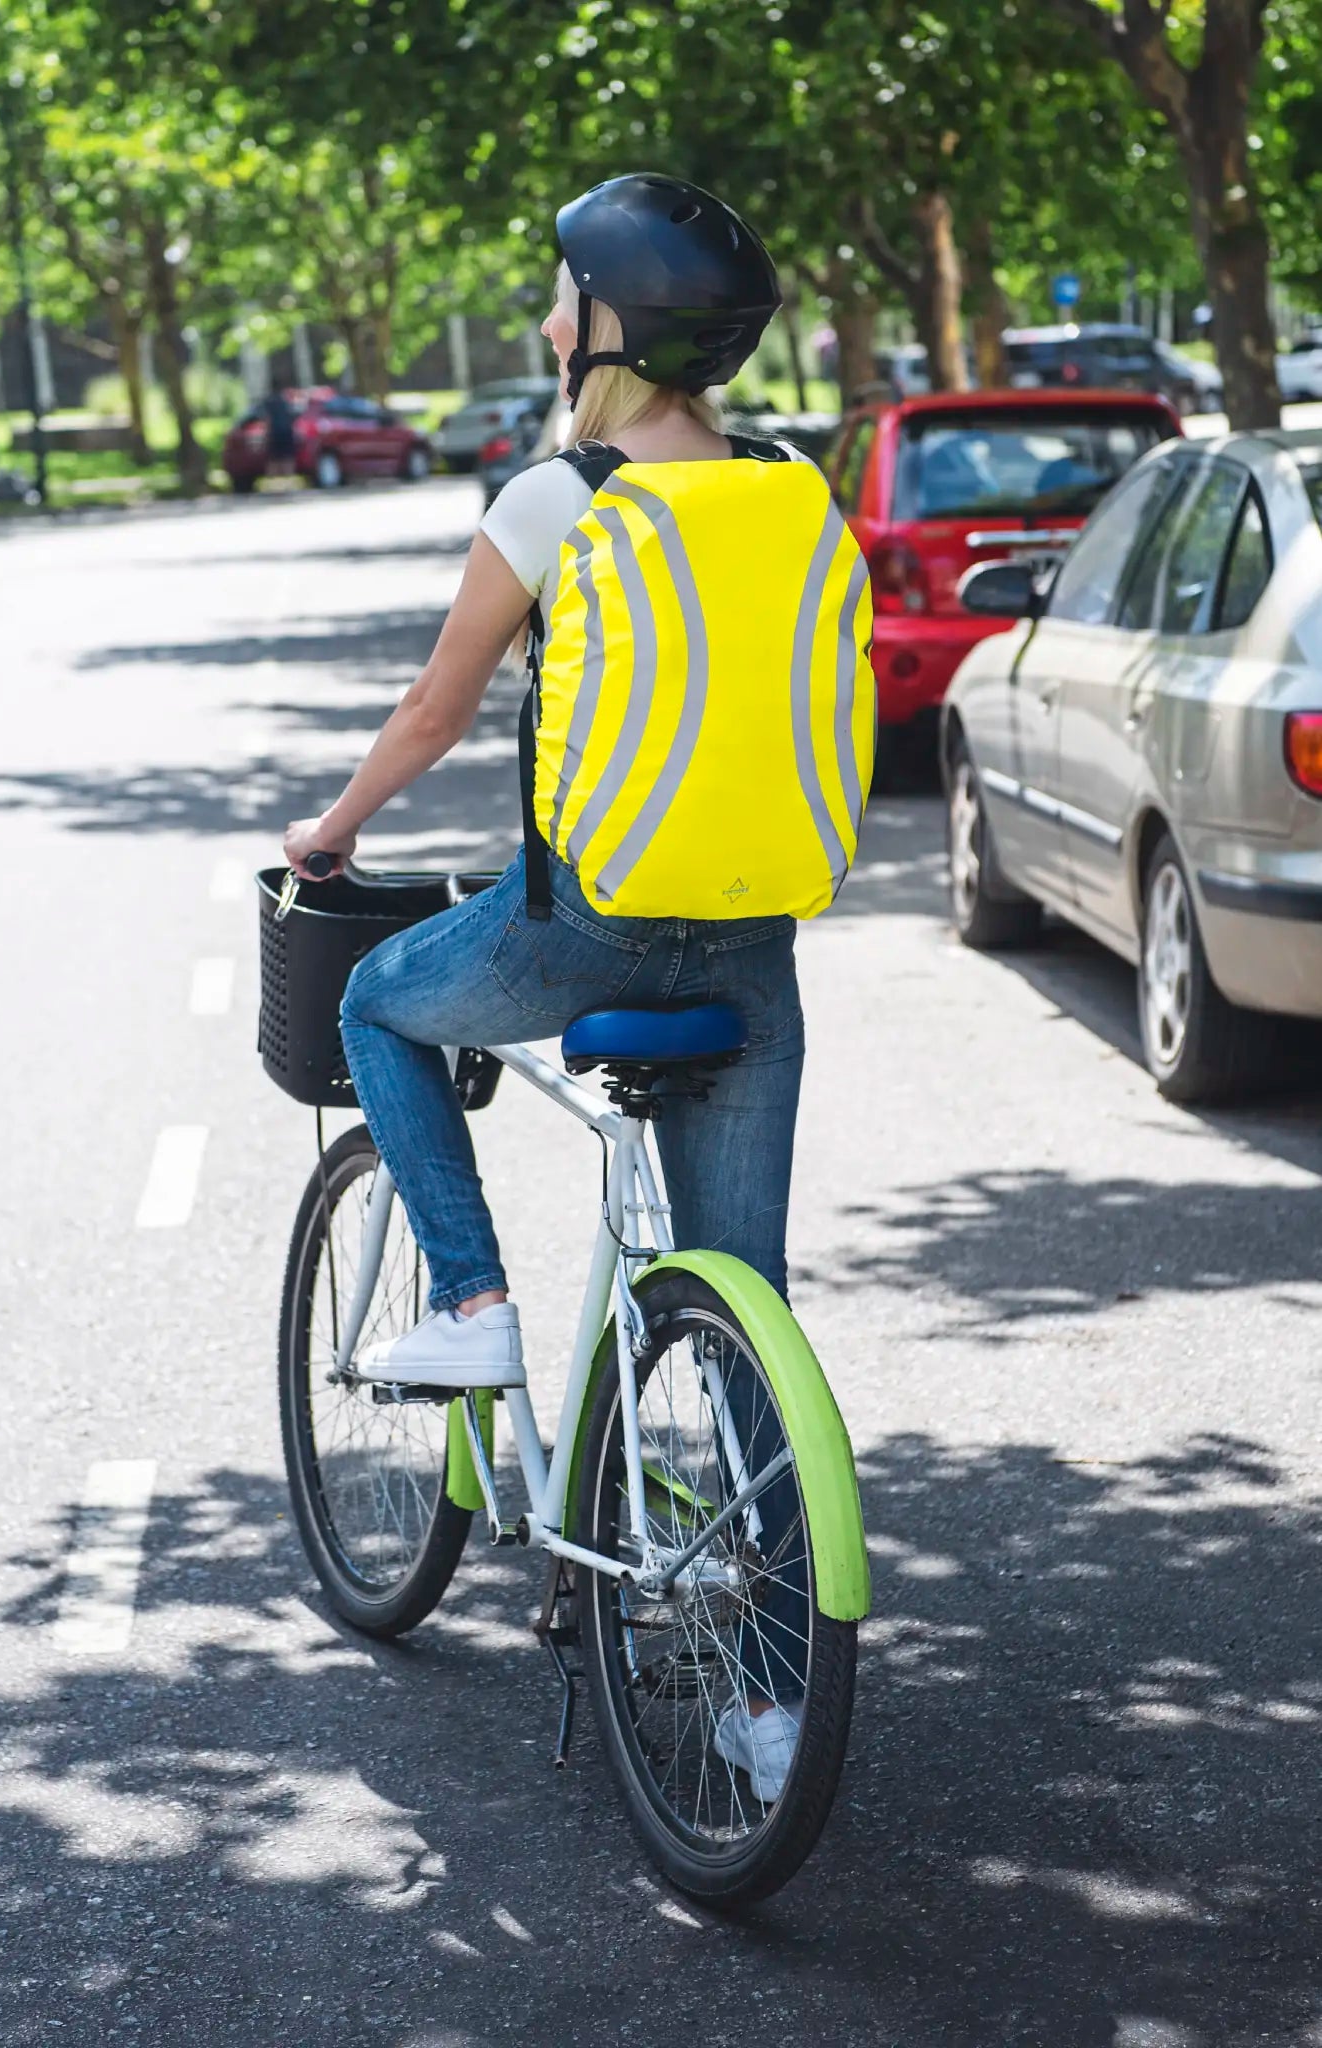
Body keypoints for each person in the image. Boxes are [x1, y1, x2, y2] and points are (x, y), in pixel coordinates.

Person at [283, 173, 871, 1801]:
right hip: (756, 956)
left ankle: (470, 1311)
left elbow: (432, 715)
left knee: (379, 1004)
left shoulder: (561, 499)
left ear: (612, 329)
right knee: (748, 1319)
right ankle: (763, 1712)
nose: (546, 320)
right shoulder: (795, 489)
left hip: (591, 936)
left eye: (562, 296)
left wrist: (329, 833)